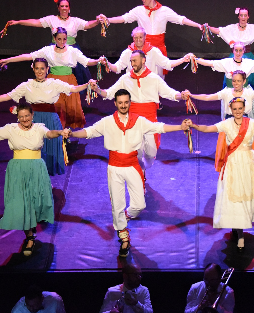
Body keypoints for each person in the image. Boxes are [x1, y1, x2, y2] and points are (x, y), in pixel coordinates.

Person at [69, 89, 191, 257]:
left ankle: (126, 216)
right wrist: (72, 133)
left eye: (126, 102)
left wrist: (180, 126)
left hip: (133, 165)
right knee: (117, 203)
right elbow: (89, 132)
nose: (123, 105)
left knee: (139, 205)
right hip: (114, 166)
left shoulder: (139, 121)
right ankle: (123, 235)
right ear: (115, 103)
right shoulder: (107, 122)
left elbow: (158, 127)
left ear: (130, 102)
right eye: (120, 103)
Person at [187, 98, 254, 251]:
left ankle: (242, 227)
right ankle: (239, 233)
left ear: (244, 109)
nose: (238, 112)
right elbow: (207, 128)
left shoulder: (251, 123)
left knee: (247, 197)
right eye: (235, 109)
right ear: (231, 110)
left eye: (240, 108)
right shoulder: (226, 124)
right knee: (235, 199)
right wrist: (194, 126)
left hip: (248, 165)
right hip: (233, 165)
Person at [90, 50, 188, 171]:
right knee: (138, 152)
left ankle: (143, 169)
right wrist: (97, 90)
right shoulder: (125, 79)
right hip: (133, 121)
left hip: (150, 120)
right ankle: (140, 174)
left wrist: (181, 95)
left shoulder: (154, 78)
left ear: (143, 60)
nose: (132, 64)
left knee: (151, 154)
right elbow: (109, 93)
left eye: (134, 61)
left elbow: (170, 93)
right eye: (131, 61)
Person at [187, 70, 254, 169]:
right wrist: (191, 95)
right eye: (234, 81)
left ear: (244, 81)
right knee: (228, 158)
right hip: (229, 126)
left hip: (245, 126)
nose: (236, 83)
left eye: (239, 81)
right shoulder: (226, 92)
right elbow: (207, 97)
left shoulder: (249, 93)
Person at [0, 103, 70, 256]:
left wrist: (60, 132)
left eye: (27, 116)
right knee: (21, 203)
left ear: (32, 115)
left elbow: (49, 134)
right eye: (21, 116)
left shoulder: (39, 128)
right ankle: (30, 236)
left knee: (35, 202)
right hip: (17, 170)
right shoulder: (10, 129)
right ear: (18, 117)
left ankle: (34, 227)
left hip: (37, 168)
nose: (24, 119)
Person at [0, 58, 89, 175]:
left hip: (51, 120)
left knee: (50, 149)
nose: (40, 71)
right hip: (32, 121)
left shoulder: (54, 83)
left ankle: (45, 180)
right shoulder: (27, 85)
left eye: (42, 68)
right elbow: (7, 96)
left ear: (47, 69)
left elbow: (73, 89)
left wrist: (88, 85)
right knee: (35, 149)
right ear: (33, 69)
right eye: (37, 68)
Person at [0, 27, 100, 129]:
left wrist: (98, 61)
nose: (62, 42)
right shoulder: (47, 50)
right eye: (59, 39)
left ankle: (65, 135)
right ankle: (57, 130)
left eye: (64, 39)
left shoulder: (72, 51)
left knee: (69, 108)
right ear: (54, 38)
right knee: (57, 107)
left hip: (69, 80)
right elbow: (28, 56)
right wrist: (8, 60)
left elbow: (87, 61)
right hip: (53, 80)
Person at [1, 0, 101, 85]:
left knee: (78, 74)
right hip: (55, 49)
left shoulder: (75, 21)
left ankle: (74, 95)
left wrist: (97, 21)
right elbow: (35, 22)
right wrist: (18, 22)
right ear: (58, 8)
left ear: (69, 8)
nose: (64, 8)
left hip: (71, 49)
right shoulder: (51, 19)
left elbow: (88, 24)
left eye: (66, 6)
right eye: (62, 6)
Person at [101, 0, 201, 72]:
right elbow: (124, 18)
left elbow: (180, 19)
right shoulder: (139, 10)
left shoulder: (164, 10)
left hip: (159, 47)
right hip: (143, 47)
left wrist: (198, 25)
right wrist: (108, 20)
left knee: (159, 76)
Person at [208, 7, 254, 89]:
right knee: (233, 77)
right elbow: (219, 31)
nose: (243, 17)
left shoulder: (253, 28)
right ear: (238, 16)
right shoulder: (232, 28)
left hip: (248, 56)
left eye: (245, 15)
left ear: (248, 17)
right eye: (241, 15)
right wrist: (207, 27)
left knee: (248, 80)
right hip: (234, 56)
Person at [105, 26, 193, 78]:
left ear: (145, 37)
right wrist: (107, 63)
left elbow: (167, 64)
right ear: (133, 38)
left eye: (140, 37)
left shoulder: (153, 51)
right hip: (132, 86)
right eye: (136, 38)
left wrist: (182, 60)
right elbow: (117, 68)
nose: (138, 40)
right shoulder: (127, 52)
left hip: (149, 87)